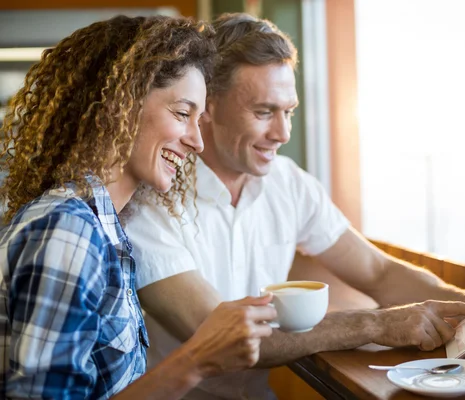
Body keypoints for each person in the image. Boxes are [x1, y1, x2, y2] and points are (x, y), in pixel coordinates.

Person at [126, 13, 465, 400]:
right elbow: (221, 336)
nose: (283, 133)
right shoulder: (147, 201)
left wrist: (463, 304)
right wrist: (373, 325)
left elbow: (377, 272)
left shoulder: (289, 183)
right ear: (206, 106)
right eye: (263, 112)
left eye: (288, 111)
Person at [0, 15, 276, 400]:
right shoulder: (68, 230)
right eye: (182, 113)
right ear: (120, 104)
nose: (197, 140)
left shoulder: (106, 227)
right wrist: (197, 358)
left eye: (199, 120)